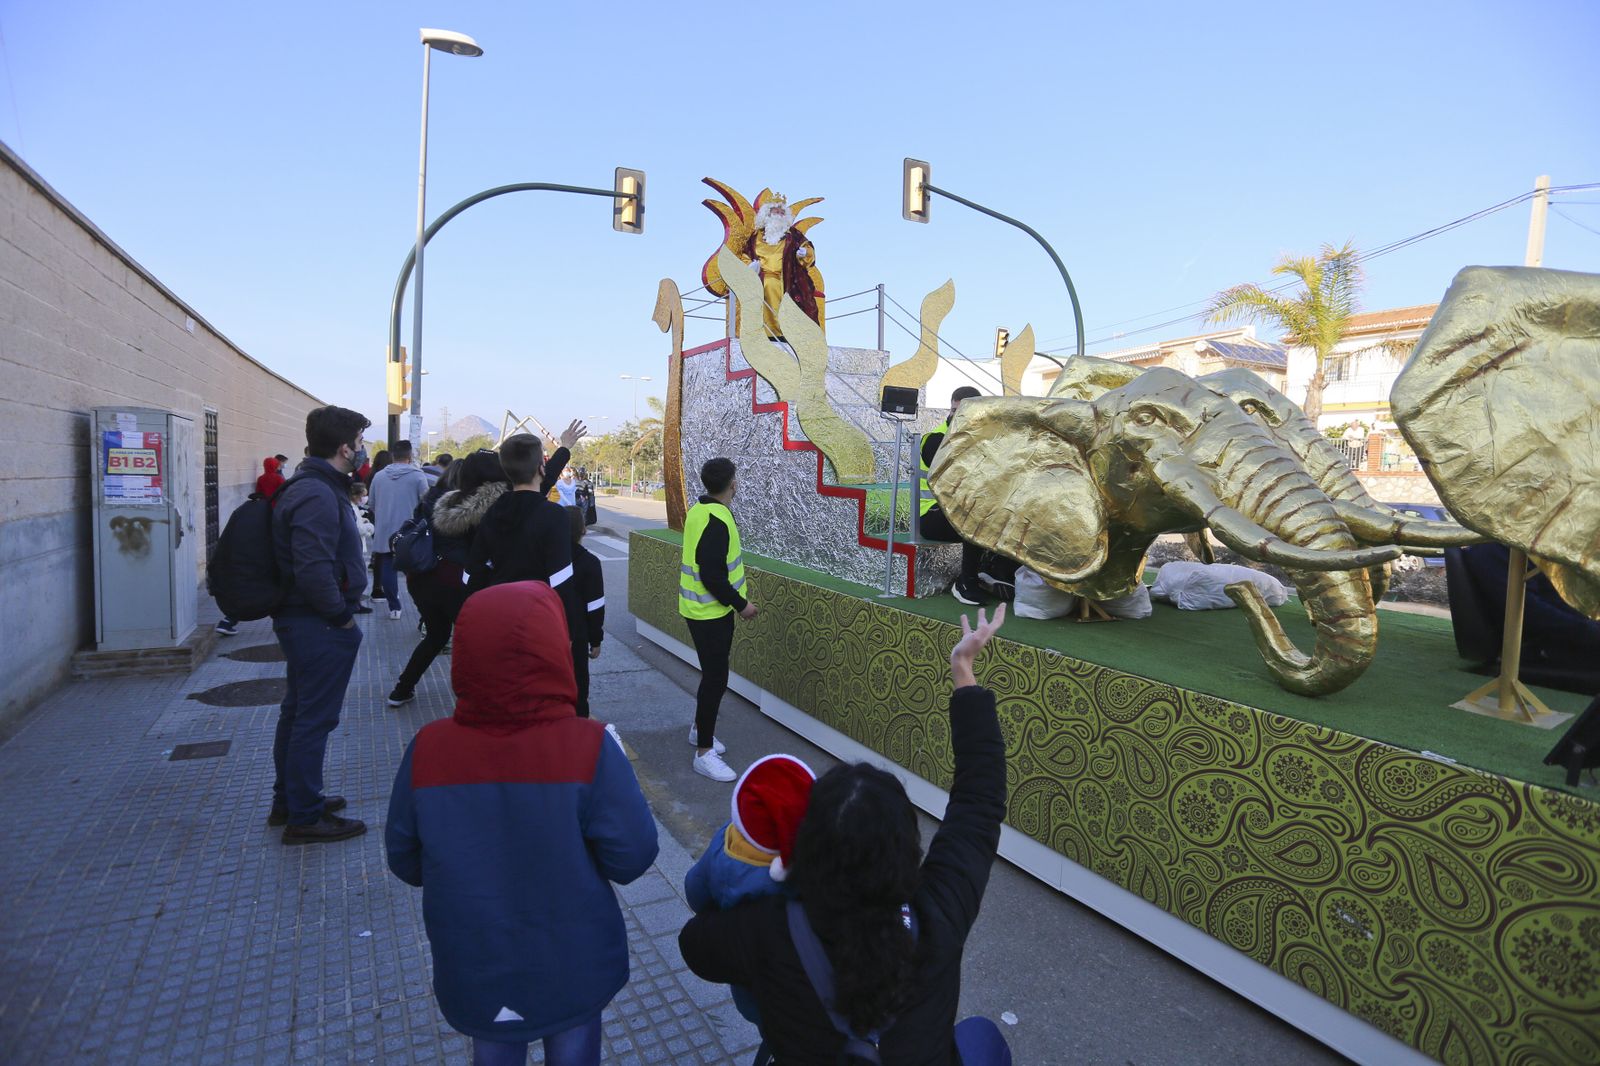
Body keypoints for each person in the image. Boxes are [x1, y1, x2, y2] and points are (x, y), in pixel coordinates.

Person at [679, 605, 1013, 1065]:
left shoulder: (769, 929)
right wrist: (963, 671)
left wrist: (741, 849)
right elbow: (980, 800)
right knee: (981, 1038)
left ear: (807, 847)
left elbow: (693, 946)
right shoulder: (941, 911)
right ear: (907, 851)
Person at [385, 581, 659, 1066]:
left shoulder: (428, 749)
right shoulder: (588, 747)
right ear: (555, 648)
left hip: (476, 956)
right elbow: (633, 856)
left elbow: (405, 859)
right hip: (574, 958)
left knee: (492, 1046)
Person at [269, 405, 372, 845]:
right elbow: (313, 571)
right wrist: (342, 618)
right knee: (313, 719)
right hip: (317, 624)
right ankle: (305, 816)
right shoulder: (315, 493)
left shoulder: (319, 486)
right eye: (361, 442)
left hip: (310, 622)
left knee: (298, 714)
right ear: (345, 448)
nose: (365, 450)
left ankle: (293, 800)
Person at [684, 754, 815, 1024]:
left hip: (744, 979)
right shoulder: (797, 879)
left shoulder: (725, 841)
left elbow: (694, 891)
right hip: (785, 992)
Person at [388, 451, 510, 708]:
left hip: (421, 579)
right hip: (454, 581)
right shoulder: (474, 506)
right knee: (476, 641)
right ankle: (480, 698)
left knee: (437, 635)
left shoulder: (430, 499)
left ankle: (402, 689)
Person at [679, 458, 757, 783]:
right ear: (732, 484)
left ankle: (700, 731)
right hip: (711, 614)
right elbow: (711, 574)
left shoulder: (700, 510)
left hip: (701, 611)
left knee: (712, 677)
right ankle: (704, 753)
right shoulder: (717, 519)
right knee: (715, 679)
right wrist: (741, 605)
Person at [919, 387, 1011, 605]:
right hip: (930, 515)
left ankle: (996, 570)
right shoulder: (934, 440)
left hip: (958, 511)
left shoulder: (981, 441)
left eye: (962, 412)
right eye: (953, 410)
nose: (955, 416)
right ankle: (965, 583)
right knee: (974, 511)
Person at [369, 440, 430, 620]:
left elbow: (371, 504)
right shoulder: (418, 476)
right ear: (410, 456)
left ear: (392, 455)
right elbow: (425, 502)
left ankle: (394, 608)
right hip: (410, 531)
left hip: (385, 529)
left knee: (387, 566)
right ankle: (422, 610)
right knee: (414, 571)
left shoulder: (378, 476)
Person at [566, 505, 606, 718]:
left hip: (548, 633)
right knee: (579, 688)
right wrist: (596, 640)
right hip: (578, 636)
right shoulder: (589, 562)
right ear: (583, 530)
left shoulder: (546, 558)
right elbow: (595, 606)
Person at [349, 481, 376, 614]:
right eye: (363, 495)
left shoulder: (352, 506)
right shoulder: (351, 507)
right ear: (356, 495)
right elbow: (359, 529)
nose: (365, 498)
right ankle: (354, 603)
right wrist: (370, 527)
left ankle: (355, 603)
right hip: (355, 545)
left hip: (355, 545)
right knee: (359, 576)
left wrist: (362, 517)